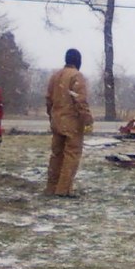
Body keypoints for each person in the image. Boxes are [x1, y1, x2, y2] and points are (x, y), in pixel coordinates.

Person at [45, 48, 94, 197]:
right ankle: (64, 189)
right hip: (72, 123)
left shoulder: (55, 76)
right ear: (78, 61)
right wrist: (87, 120)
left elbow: (48, 99)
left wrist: (52, 116)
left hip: (57, 121)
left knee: (56, 155)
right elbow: (80, 100)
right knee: (71, 155)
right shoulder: (76, 76)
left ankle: (51, 187)